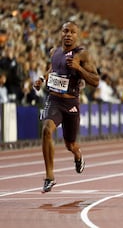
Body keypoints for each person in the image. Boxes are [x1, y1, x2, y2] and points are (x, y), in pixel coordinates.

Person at [33, 21, 100, 193]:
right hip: (54, 100)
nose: (68, 34)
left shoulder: (82, 55)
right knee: (47, 130)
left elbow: (96, 81)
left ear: (77, 35)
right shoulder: (54, 52)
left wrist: (79, 68)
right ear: (61, 33)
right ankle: (49, 176)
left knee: (70, 144)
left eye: (72, 32)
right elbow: (53, 69)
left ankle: (78, 155)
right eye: (65, 31)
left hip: (71, 104)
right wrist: (42, 78)